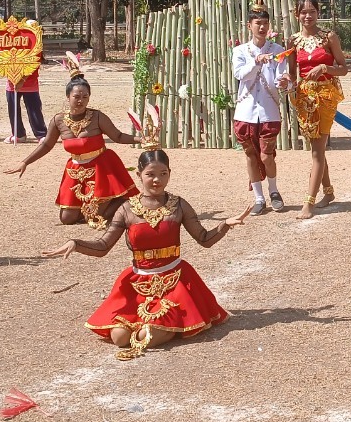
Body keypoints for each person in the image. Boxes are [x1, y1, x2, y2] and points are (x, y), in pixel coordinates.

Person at [40, 115, 247, 360]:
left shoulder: (179, 205)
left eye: (163, 173)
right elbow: (103, 246)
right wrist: (76, 244)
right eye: (150, 174)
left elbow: (204, 239)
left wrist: (224, 225)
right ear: (139, 174)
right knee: (119, 337)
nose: (157, 180)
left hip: (175, 282)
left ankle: (164, 325)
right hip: (138, 282)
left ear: (169, 174)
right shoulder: (127, 209)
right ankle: (153, 326)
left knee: (146, 335)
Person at [4, 52, 139, 228]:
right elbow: (47, 144)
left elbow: (118, 136)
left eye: (85, 97)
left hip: (101, 168)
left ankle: (123, 204)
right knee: (67, 218)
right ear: (68, 97)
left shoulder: (97, 117)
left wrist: (141, 139)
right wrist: (25, 162)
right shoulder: (58, 120)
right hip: (75, 170)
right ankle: (96, 208)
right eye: (76, 97)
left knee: (96, 216)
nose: (81, 100)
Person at [286, 0, 348, 219]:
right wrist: (287, 83)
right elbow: (292, 73)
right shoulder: (293, 41)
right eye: (303, 12)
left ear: (318, 13)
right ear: (297, 15)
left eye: (312, 11)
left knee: (316, 151)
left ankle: (308, 204)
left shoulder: (329, 37)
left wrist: (324, 68)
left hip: (325, 97)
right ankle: (328, 192)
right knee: (316, 148)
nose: (308, 16)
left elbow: (343, 68)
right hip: (304, 98)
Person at [232, 0, 289, 214]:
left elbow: (282, 75)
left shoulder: (277, 50)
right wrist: (256, 61)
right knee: (250, 155)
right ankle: (258, 197)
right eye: (258, 23)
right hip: (245, 112)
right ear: (250, 26)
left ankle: (274, 191)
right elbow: (240, 74)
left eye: (265, 23)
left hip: (269, 111)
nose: (262, 27)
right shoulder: (240, 51)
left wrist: (284, 82)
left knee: (266, 155)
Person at [6, 33, 47, 144]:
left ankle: (41, 134)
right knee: (13, 109)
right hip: (12, 82)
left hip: (30, 83)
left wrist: (22, 80)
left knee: (34, 109)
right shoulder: (10, 42)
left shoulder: (35, 43)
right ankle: (18, 134)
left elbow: (34, 64)